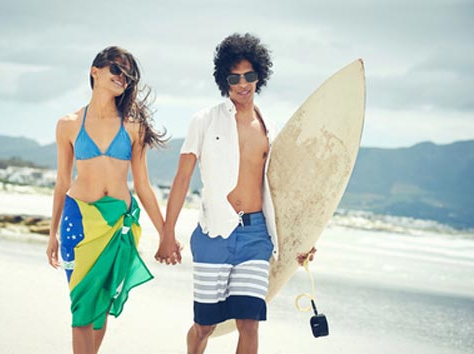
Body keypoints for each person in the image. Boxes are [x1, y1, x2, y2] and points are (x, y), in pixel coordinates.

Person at [155, 33, 315, 354]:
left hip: (256, 236)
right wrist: (167, 233)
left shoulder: (271, 127)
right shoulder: (203, 120)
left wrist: (304, 239)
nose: (243, 84)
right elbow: (182, 178)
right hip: (214, 232)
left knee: (249, 321)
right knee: (205, 326)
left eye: (250, 76)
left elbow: (285, 191)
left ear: (260, 76)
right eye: (235, 77)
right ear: (223, 80)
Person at [46, 46, 179, 354]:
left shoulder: (133, 125)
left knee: (101, 307)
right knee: (82, 307)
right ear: (95, 71)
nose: (123, 77)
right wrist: (51, 233)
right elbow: (62, 182)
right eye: (117, 69)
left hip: (118, 224)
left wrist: (166, 234)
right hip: (78, 221)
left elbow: (143, 186)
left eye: (128, 74)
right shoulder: (68, 124)